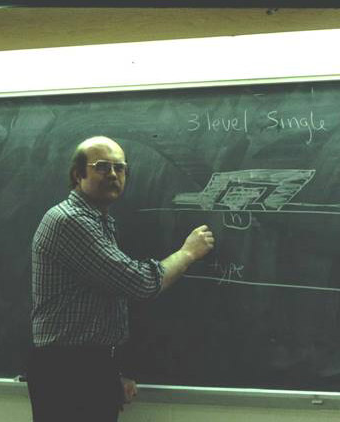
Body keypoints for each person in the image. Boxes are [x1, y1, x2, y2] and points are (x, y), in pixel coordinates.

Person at [26, 135, 215, 422]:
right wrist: (188, 253)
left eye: (120, 167)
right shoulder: (72, 221)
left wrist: (110, 372)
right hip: (68, 371)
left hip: (86, 367)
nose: (113, 174)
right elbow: (139, 283)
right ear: (78, 174)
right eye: (102, 167)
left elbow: (102, 302)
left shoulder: (97, 220)